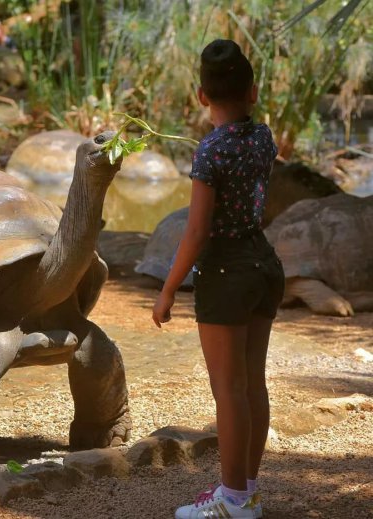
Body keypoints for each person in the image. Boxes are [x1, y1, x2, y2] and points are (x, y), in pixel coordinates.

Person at [152, 39, 284, 519]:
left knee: (227, 390)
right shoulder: (264, 137)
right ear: (252, 91)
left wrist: (168, 289)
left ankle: (233, 503)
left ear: (202, 96)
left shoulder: (210, 151)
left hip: (227, 274)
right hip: (264, 266)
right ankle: (245, 490)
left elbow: (197, 228)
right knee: (253, 386)